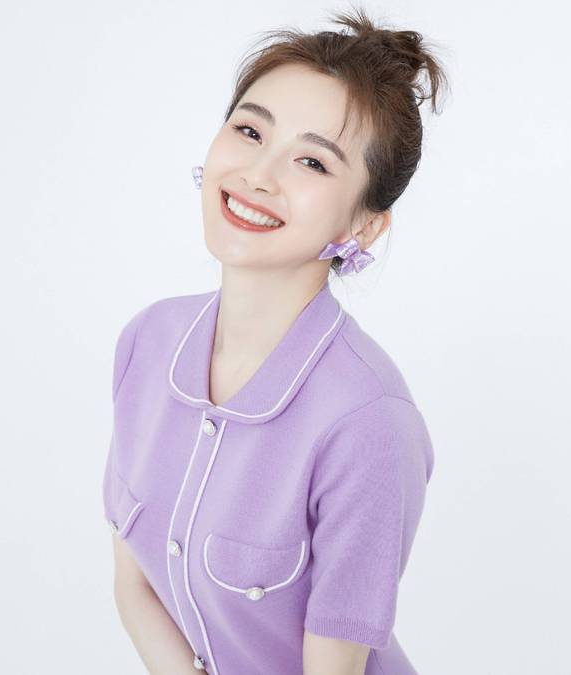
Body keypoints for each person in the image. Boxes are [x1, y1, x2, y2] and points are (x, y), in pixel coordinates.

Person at [102, 6, 448, 674]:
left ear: (364, 227)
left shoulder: (370, 422)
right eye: (250, 130)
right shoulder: (147, 342)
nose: (259, 174)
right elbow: (133, 582)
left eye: (312, 162)